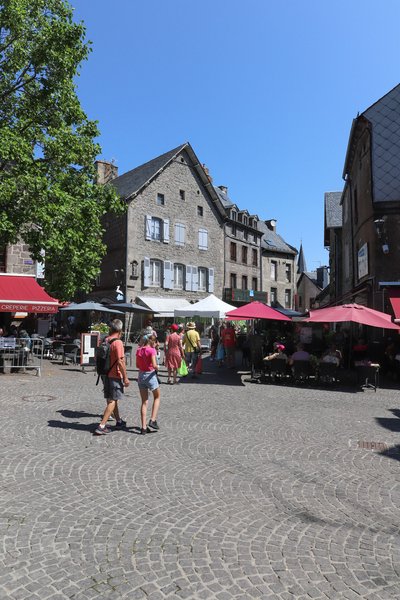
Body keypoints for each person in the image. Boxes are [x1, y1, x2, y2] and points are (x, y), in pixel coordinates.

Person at [95, 319, 129, 436]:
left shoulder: (106, 339)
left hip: (105, 374)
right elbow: (120, 361)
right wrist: (125, 377)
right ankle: (102, 425)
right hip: (114, 375)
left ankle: (119, 421)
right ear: (120, 330)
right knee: (113, 401)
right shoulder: (118, 342)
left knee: (112, 399)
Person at [136, 334, 160, 434]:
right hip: (150, 376)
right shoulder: (152, 350)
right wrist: (158, 367)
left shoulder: (138, 350)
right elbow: (154, 365)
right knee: (157, 397)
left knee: (144, 402)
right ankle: (153, 420)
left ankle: (143, 427)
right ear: (151, 342)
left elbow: (137, 365)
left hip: (141, 375)